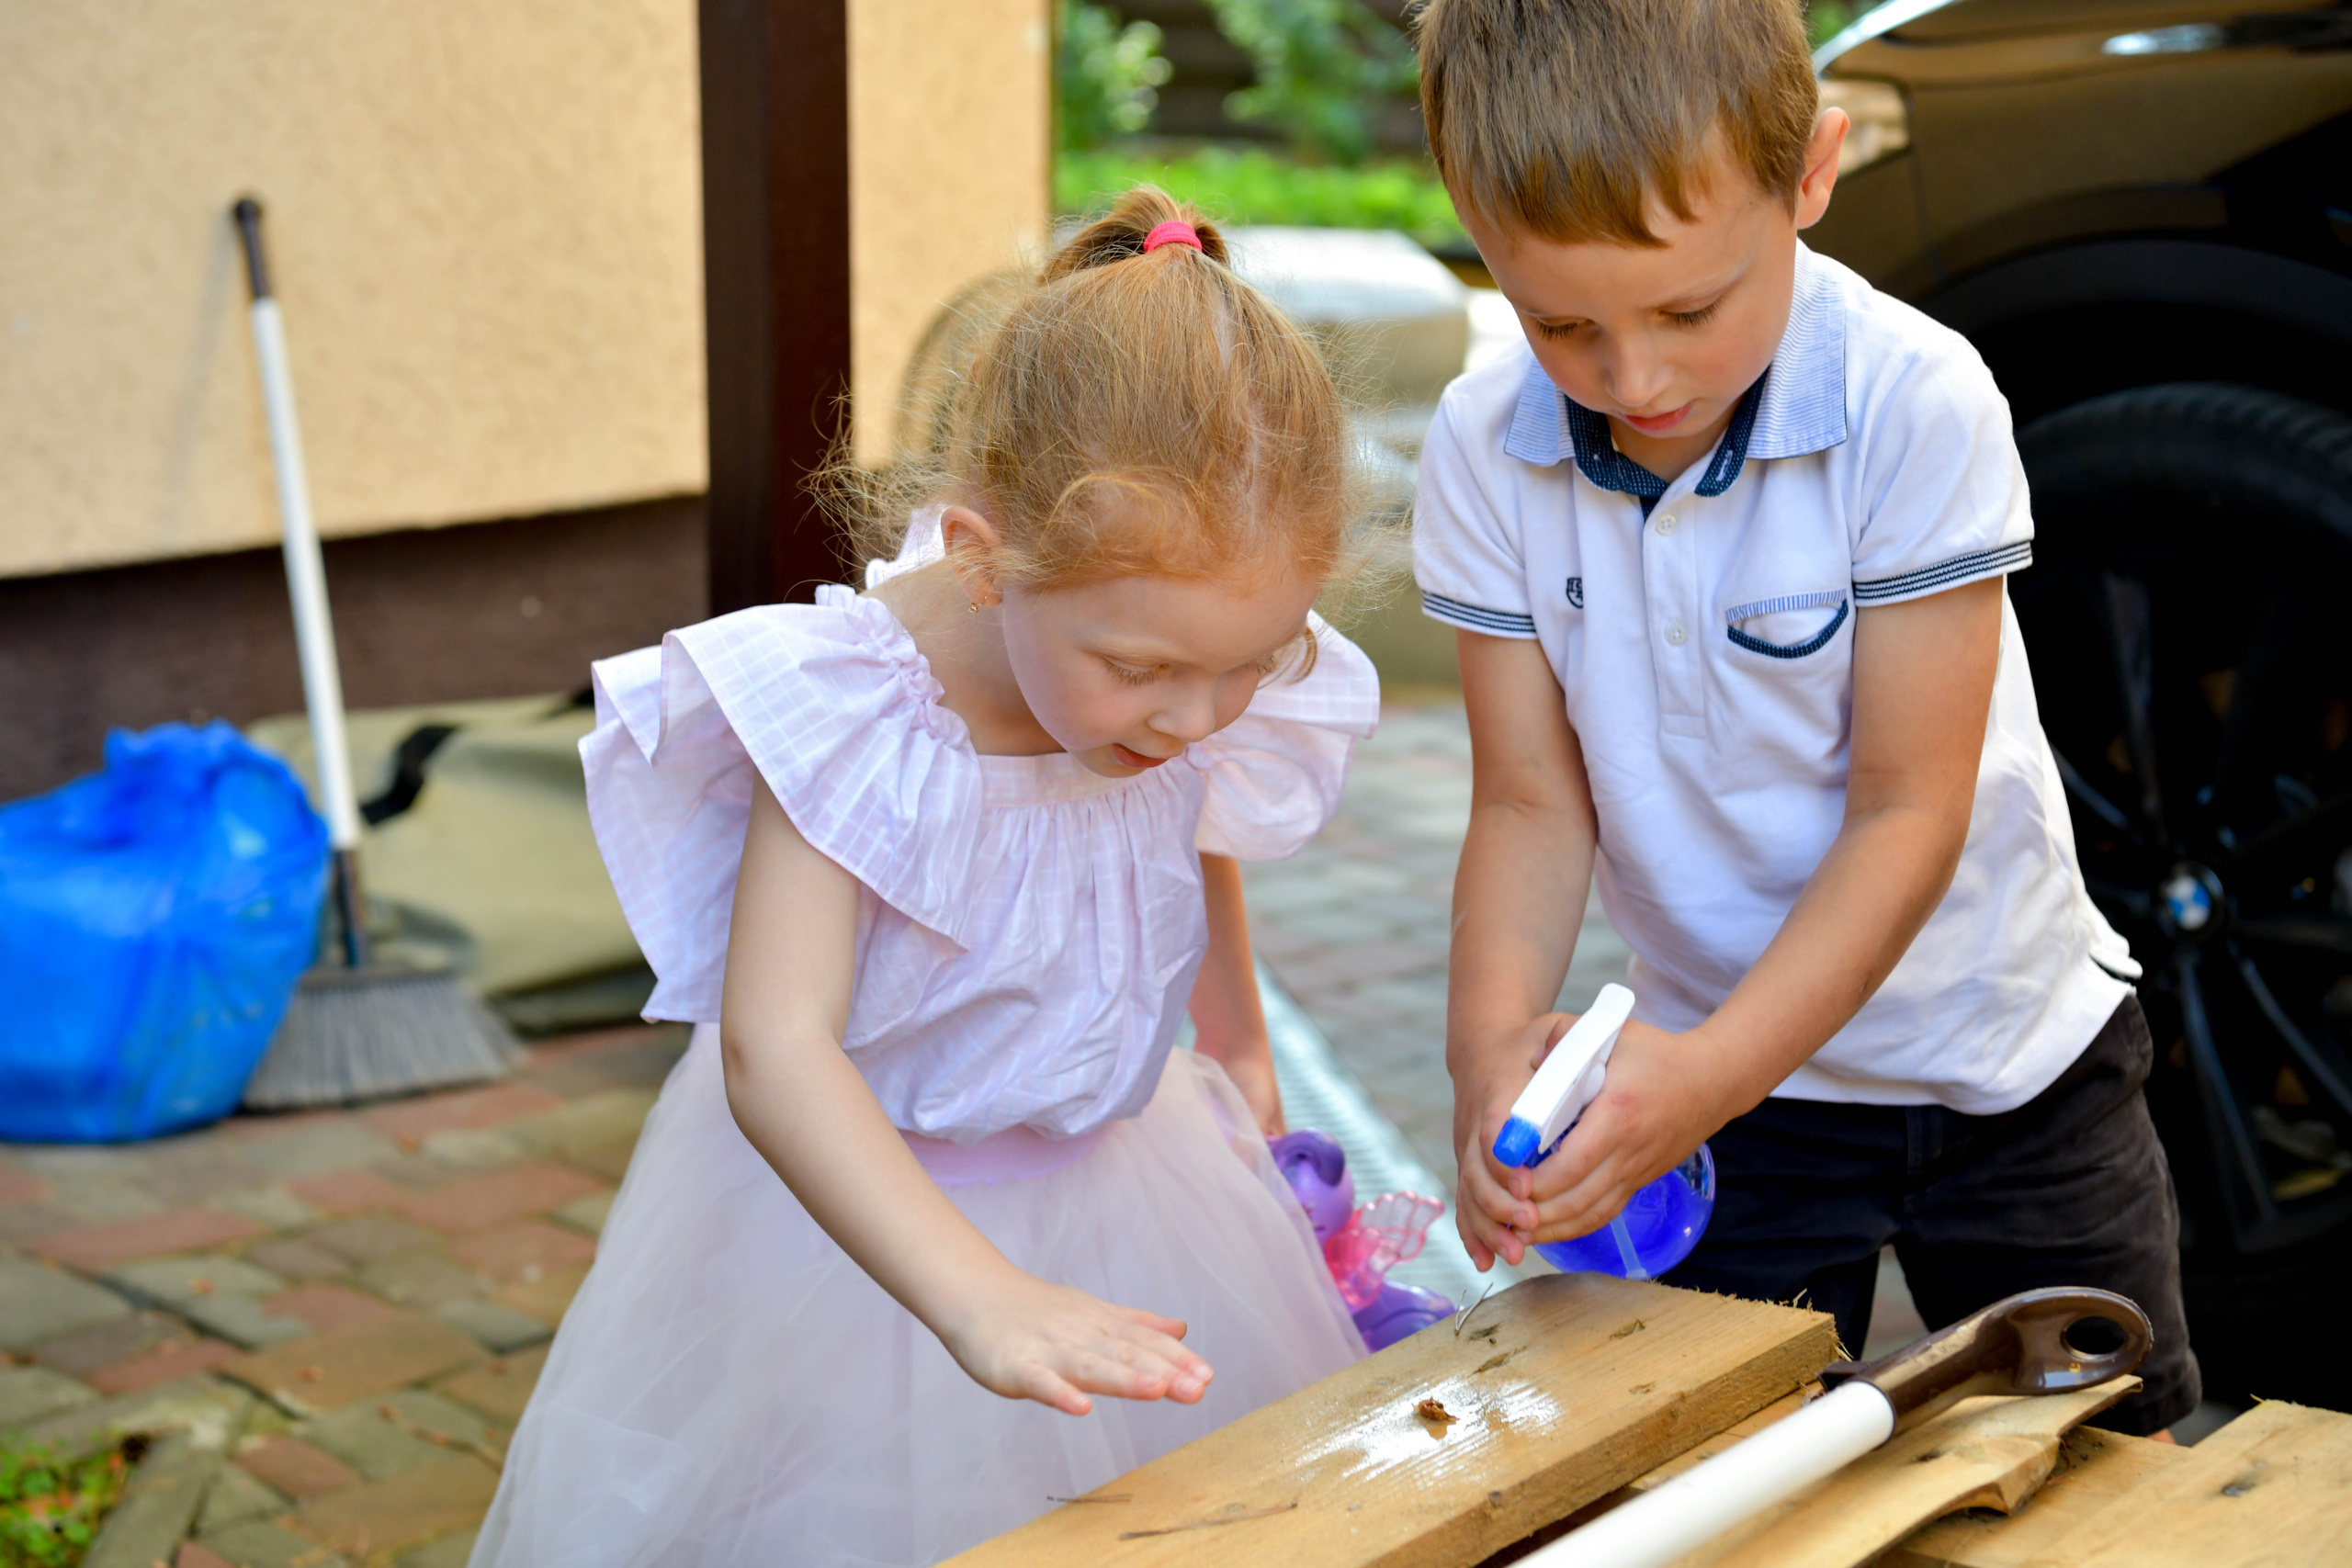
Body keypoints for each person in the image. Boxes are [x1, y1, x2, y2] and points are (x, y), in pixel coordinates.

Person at [470, 189, 1375, 1567]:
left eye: (1246, 667)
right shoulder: (853, 711)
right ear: (983, 558)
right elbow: (775, 1050)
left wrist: (1239, 1044)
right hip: (866, 1251)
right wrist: (979, 1300)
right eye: (1143, 672)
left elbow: (1191, 839)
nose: (1197, 719)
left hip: (1138, 1190)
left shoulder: (1170, 648)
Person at [1409, 0, 2198, 1436]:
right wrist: (1488, 1052)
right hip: (1728, 1110)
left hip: (2006, 1072)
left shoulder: (1916, 401)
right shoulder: (1482, 444)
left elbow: (1910, 809)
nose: (1634, 382)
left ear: (1812, 174)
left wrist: (1704, 1075)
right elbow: (1531, 801)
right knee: (1723, 1478)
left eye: (1691, 310)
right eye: (1561, 323)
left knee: (2101, 1472)